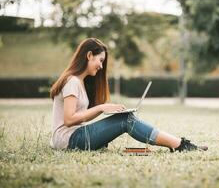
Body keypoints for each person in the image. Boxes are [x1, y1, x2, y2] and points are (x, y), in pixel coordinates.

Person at [49, 38, 208, 152]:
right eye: (100, 60)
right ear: (89, 55)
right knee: (127, 120)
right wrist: (101, 108)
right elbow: (69, 120)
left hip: (73, 137)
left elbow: (79, 116)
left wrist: (104, 111)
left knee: (126, 118)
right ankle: (180, 145)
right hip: (69, 140)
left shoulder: (80, 82)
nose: (101, 66)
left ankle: (180, 144)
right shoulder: (72, 81)